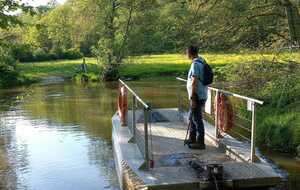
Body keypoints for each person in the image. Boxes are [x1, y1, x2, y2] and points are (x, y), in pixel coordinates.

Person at [185, 45, 208, 149]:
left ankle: (200, 142)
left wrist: (193, 97)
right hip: (201, 94)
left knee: (197, 119)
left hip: (197, 96)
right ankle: (192, 138)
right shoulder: (202, 60)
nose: (186, 54)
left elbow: (194, 81)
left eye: (186, 52)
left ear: (190, 53)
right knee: (192, 117)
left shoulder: (195, 64)